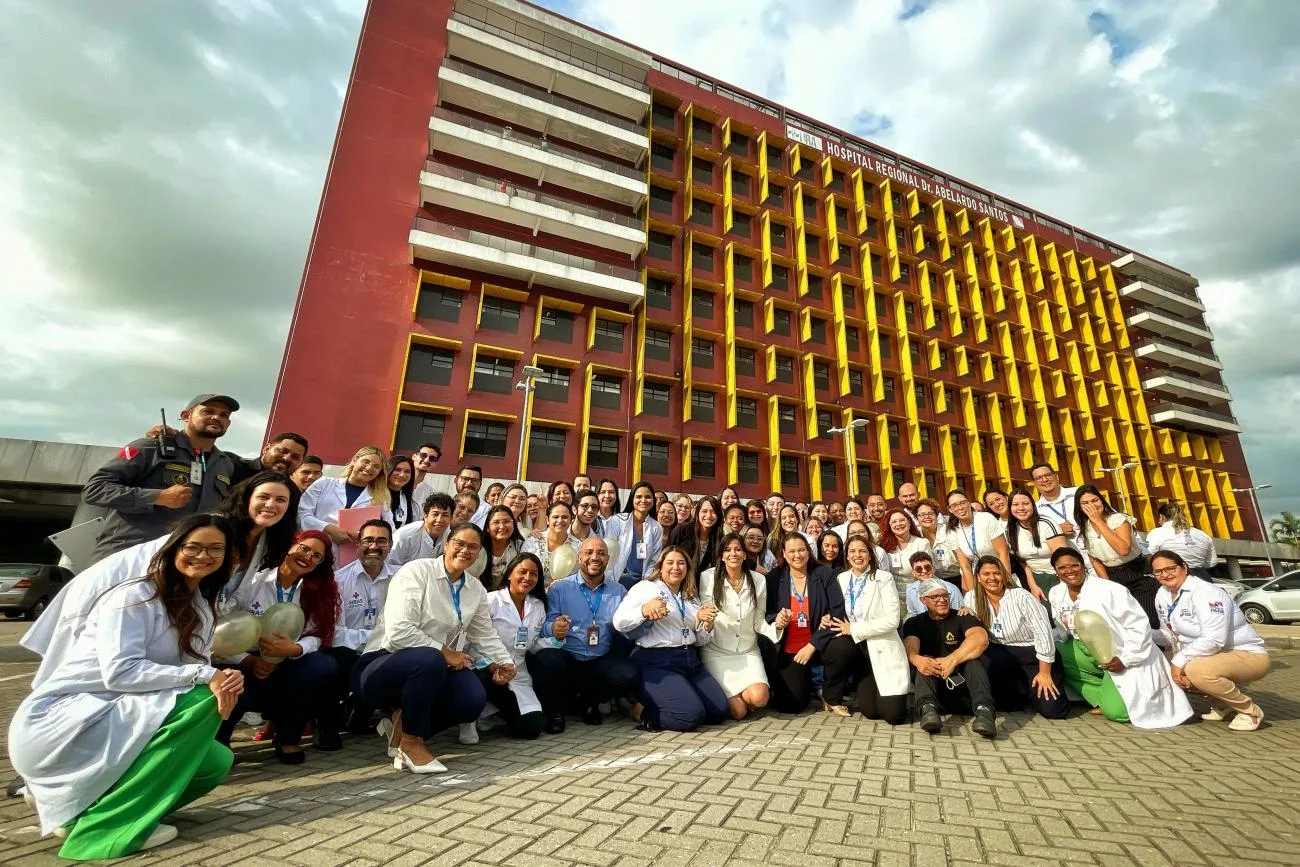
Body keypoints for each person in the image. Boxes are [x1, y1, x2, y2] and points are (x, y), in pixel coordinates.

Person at [9, 514, 244, 859]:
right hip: (67, 719)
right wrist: (205, 676)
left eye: (215, 549)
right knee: (200, 701)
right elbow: (120, 673)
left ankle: (74, 808)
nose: (202, 555)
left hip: (118, 714)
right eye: (192, 546)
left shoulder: (202, 606)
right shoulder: (134, 596)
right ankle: (105, 829)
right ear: (172, 548)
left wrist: (224, 676)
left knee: (214, 762)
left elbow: (194, 666)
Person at [356, 523, 517, 773]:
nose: (465, 551)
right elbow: (399, 632)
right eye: (459, 544)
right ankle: (411, 742)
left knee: (471, 700)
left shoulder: (475, 589)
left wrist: (504, 663)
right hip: (381, 664)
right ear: (446, 545)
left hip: (433, 667)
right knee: (429, 658)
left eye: (473, 547)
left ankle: (400, 727)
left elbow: (484, 633)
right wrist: (446, 653)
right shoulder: (416, 572)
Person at [216, 530, 343, 760]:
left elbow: (317, 632)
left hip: (289, 661)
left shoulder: (315, 591)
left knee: (321, 666)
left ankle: (288, 738)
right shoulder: (254, 582)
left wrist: (295, 649)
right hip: (248, 660)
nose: (308, 557)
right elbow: (227, 629)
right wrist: (249, 660)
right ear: (290, 546)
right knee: (231, 682)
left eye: (317, 556)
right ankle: (220, 742)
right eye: (304, 548)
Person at [83, 394, 240, 565]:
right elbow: (94, 489)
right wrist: (157, 497)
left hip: (180, 563)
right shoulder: (151, 446)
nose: (216, 417)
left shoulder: (224, 464)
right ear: (186, 416)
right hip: (129, 557)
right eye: (207, 411)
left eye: (224, 415)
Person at [1048, 548, 1191, 727]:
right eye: (1062, 567)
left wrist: (1126, 658)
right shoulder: (1055, 593)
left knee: (1118, 713)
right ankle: (1103, 695)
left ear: (1083, 566)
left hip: (1121, 653)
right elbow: (1062, 630)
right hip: (1086, 649)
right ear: (1055, 571)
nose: (1069, 571)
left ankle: (1114, 699)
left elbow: (1138, 627)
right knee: (1056, 653)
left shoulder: (1110, 590)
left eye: (1074, 565)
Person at [613, 547, 729, 732]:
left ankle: (680, 698)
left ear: (688, 569)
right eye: (670, 563)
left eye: (681, 563)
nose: (676, 567)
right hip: (657, 662)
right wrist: (644, 610)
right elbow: (619, 622)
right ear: (660, 566)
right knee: (689, 717)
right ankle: (640, 711)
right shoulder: (646, 588)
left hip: (690, 660)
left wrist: (706, 624)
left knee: (718, 711)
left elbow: (699, 640)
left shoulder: (690, 596)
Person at [530, 537, 640, 731]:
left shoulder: (619, 591)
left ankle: (591, 701)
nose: (594, 557)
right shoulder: (560, 588)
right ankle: (554, 711)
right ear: (579, 557)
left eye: (601, 553)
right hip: (569, 656)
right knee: (545, 659)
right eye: (588, 552)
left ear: (608, 559)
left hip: (600, 659)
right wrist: (554, 628)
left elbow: (627, 625)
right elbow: (543, 624)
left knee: (627, 674)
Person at [1152, 550, 1270, 731]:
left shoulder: (1206, 592)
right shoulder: (1162, 594)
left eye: (1170, 568)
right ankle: (1222, 704)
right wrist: (1143, 633)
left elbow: (1215, 639)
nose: (1165, 574)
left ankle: (1249, 711)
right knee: (1161, 668)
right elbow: (1168, 634)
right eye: (1158, 571)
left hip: (1246, 654)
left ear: (1184, 567)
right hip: (1208, 654)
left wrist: (1178, 662)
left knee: (1195, 671)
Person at [962, 556, 1069, 719]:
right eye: (986, 574)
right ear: (978, 577)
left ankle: (1034, 688)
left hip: (1032, 652)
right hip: (1000, 653)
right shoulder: (971, 597)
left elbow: (1043, 632)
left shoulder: (1021, 596)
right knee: (1006, 706)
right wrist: (965, 613)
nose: (992, 578)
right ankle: (1018, 691)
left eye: (997, 573)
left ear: (1004, 575)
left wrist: (1045, 672)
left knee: (1052, 710)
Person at [824, 535, 909, 724]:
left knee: (893, 716)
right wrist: (827, 616)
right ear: (846, 556)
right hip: (859, 650)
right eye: (852, 551)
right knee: (871, 712)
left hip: (881, 646)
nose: (857, 555)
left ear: (870, 555)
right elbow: (836, 609)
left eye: (862, 551)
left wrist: (855, 628)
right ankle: (834, 694)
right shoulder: (842, 578)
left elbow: (892, 620)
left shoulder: (883, 578)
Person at [762, 534, 847, 714]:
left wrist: (812, 645)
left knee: (843, 647)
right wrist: (777, 619)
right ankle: (807, 684)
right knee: (792, 706)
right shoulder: (774, 578)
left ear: (808, 551)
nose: (797, 555)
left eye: (801, 550)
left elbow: (837, 611)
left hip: (818, 643)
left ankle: (830, 696)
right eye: (791, 551)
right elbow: (767, 612)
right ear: (784, 554)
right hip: (790, 648)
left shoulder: (824, 574)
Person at [902, 579, 997, 738]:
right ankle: (928, 710)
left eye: (945, 596)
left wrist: (952, 660)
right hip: (937, 692)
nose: (942, 600)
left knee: (973, 662)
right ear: (923, 600)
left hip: (965, 690)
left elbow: (980, 639)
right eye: (936, 597)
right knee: (924, 661)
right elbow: (910, 646)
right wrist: (918, 660)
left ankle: (985, 712)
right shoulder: (914, 622)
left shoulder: (963, 616)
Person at [468, 553, 548, 741]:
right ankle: (470, 717)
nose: (527, 578)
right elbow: (472, 640)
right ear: (510, 573)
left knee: (532, 728)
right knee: (481, 680)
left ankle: (495, 713)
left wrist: (557, 640)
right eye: (522, 572)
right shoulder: (490, 601)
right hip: (487, 669)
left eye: (534, 574)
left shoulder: (537, 606)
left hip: (517, 674)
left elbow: (534, 643)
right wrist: (490, 665)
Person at [698, 534, 779, 720]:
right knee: (739, 712)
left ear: (744, 554)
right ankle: (735, 700)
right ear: (722, 555)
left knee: (759, 699)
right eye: (727, 550)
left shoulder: (758, 580)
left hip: (747, 650)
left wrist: (777, 627)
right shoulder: (708, 577)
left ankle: (740, 696)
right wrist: (706, 620)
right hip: (717, 651)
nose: (733, 553)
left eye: (737, 549)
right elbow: (705, 616)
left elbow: (759, 621)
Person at [333, 519, 397, 733]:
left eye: (381, 541)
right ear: (358, 544)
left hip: (388, 650)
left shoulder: (401, 579)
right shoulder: (339, 580)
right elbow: (336, 632)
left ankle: (367, 710)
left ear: (390, 545)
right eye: (368, 540)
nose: (374, 546)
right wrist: (372, 640)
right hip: (350, 652)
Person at [1075, 485, 1160, 626]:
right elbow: (1094, 559)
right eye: (1085, 503)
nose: (1092, 506)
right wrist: (1109, 585)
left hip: (1136, 572)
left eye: (1094, 500)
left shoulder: (1118, 520)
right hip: (1113, 576)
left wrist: (1099, 522)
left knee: (1148, 621)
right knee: (1126, 622)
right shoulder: (1084, 527)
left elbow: (1123, 549)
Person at [298, 445, 392, 552]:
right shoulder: (324, 483)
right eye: (365, 462)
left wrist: (361, 535)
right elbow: (302, 514)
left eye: (376, 466)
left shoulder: (380, 498)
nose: (369, 468)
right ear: (354, 461)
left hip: (352, 554)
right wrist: (327, 528)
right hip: (315, 548)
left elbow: (389, 529)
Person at [945, 488, 1012, 593]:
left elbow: (1003, 553)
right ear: (950, 509)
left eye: (963, 502)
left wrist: (1006, 584)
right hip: (978, 577)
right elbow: (965, 566)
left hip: (999, 573)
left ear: (969, 502)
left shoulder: (985, 518)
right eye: (954, 505)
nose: (960, 507)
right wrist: (973, 593)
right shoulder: (952, 531)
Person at [1005, 488, 1066, 599]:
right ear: (1010, 508)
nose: (1021, 508)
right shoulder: (1010, 530)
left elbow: (1063, 558)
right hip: (1035, 577)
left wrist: (1064, 585)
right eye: (1015, 504)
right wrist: (1033, 585)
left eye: (1025, 503)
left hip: (1060, 575)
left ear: (1033, 505)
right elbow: (1023, 562)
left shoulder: (1046, 523)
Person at [607, 482, 663, 589]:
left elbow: (653, 560)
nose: (643, 500)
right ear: (632, 499)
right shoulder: (617, 521)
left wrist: (645, 582)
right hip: (616, 580)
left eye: (648, 497)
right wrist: (610, 581)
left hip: (642, 583)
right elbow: (609, 553)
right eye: (638, 497)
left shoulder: (656, 527)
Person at [1147, 503, 1218, 579]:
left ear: (1162, 517)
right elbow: (1211, 563)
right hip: (1202, 578)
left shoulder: (1157, 533)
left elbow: (1149, 556)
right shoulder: (1203, 535)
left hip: (1172, 578)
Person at [522, 501, 579, 587]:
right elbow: (522, 568)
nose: (560, 520)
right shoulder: (533, 541)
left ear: (571, 520)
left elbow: (578, 577)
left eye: (565, 517)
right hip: (532, 592)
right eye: (555, 517)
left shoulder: (577, 547)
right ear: (547, 520)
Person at [879, 508, 931, 602]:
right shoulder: (884, 546)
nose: (898, 524)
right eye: (894, 522)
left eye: (902, 520)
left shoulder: (922, 543)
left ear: (910, 522)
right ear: (889, 526)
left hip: (916, 594)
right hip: (891, 595)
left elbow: (926, 573)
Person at [390, 493, 454, 568]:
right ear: (425, 515)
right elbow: (391, 566)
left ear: (451, 518)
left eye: (445, 515)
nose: (439, 520)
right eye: (435, 514)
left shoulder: (450, 537)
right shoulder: (405, 536)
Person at [668, 495, 722, 579]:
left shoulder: (719, 536)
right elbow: (667, 554)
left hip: (702, 585)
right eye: (704, 511)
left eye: (713, 512)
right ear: (698, 513)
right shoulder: (682, 529)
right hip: (677, 580)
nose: (709, 516)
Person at [230, 433, 309, 487]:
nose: (286, 458)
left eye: (295, 457)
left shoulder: (293, 492)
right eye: (283, 451)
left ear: (300, 463)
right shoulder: (232, 466)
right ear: (266, 449)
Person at [904, 551, 964, 617]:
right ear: (913, 573)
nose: (924, 571)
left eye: (927, 567)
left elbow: (958, 614)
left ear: (933, 569)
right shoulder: (910, 590)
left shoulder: (951, 589)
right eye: (919, 569)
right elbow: (913, 614)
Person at [914, 499, 960, 583]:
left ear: (936, 515)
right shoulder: (916, 537)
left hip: (957, 578)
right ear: (917, 518)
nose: (926, 517)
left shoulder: (949, 531)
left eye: (930, 513)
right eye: (922, 514)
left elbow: (963, 563)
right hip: (932, 581)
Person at [1030, 462, 1077, 537]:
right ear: (1034, 483)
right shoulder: (1035, 510)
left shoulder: (1077, 494)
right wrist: (1056, 530)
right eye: (1039, 478)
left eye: (1048, 475)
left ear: (1057, 477)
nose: (1045, 480)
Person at [483, 505, 524, 588]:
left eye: (507, 521)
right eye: (496, 522)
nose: (502, 526)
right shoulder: (479, 548)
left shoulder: (521, 546)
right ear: (488, 527)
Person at [384, 455, 417, 529]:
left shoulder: (407, 498)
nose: (402, 475)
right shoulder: (374, 494)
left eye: (407, 472)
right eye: (397, 470)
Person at [410, 443, 443, 509]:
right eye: (423, 455)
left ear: (435, 464)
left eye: (432, 458)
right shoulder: (397, 483)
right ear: (414, 456)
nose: (427, 460)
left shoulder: (431, 495)